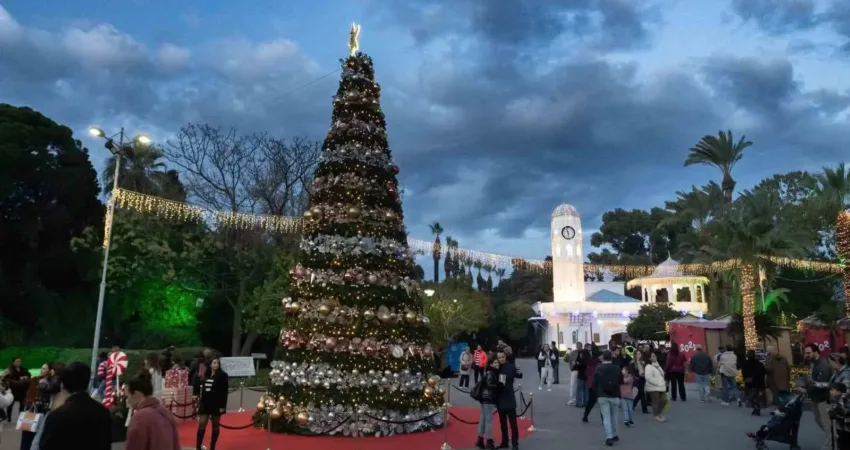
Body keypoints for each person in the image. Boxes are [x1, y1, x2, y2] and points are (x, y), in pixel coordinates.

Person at [36, 362, 111, 450]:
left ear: (63, 385)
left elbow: (45, 446)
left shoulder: (57, 415)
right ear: (87, 382)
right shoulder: (103, 412)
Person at [125, 371, 181, 450]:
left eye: (128, 396)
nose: (127, 400)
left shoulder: (140, 417)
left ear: (137, 394)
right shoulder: (165, 411)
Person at [802, 343, 833, 450]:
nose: (806, 355)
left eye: (808, 353)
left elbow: (820, 383)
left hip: (823, 399)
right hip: (815, 398)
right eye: (805, 353)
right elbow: (811, 379)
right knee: (819, 421)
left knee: (826, 424)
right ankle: (834, 440)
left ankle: (829, 445)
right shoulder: (813, 363)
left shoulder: (822, 365)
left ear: (815, 352)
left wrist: (805, 389)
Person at [195, 358, 229, 450]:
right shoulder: (206, 375)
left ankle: (212, 446)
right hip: (205, 403)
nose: (216, 364)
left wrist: (223, 406)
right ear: (210, 365)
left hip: (217, 404)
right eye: (214, 363)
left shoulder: (223, 375)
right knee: (202, 423)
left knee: (215, 425)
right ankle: (198, 446)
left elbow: (224, 392)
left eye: (217, 363)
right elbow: (202, 390)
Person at [593, 351, 622, 446]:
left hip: (602, 395)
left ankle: (609, 437)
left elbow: (594, 383)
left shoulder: (598, 368)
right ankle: (615, 434)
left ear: (603, 358)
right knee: (614, 416)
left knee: (606, 417)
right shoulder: (617, 368)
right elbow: (620, 380)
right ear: (611, 358)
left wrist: (596, 395)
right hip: (615, 394)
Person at [474, 352, 501, 450]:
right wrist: (499, 384)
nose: (497, 364)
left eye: (497, 363)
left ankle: (480, 440)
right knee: (488, 420)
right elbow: (490, 385)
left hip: (484, 398)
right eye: (495, 363)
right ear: (490, 364)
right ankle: (489, 442)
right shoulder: (492, 373)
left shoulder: (489, 371)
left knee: (483, 419)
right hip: (488, 399)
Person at [495, 350, 520, 450]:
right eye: (499, 357)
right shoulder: (497, 367)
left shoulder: (510, 366)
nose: (501, 359)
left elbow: (513, 376)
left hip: (509, 397)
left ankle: (515, 443)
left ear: (505, 356)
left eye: (502, 357)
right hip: (500, 398)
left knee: (513, 424)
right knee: (503, 424)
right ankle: (504, 442)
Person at [1, 357, 29, 422]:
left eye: (19, 361)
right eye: (17, 361)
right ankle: (9, 418)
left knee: (22, 405)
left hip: (22, 390)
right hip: (13, 390)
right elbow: (2, 377)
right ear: (13, 362)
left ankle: (20, 418)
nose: (18, 363)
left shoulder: (23, 369)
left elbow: (28, 375)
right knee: (11, 404)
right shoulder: (9, 369)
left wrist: (25, 377)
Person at [645, 351, 668, 422]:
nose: (655, 357)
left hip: (661, 386)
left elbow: (661, 374)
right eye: (653, 356)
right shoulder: (648, 366)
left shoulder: (658, 365)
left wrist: (663, 380)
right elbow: (648, 377)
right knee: (656, 401)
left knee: (664, 399)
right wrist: (658, 382)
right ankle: (656, 415)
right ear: (649, 358)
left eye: (655, 356)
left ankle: (659, 412)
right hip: (653, 387)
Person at [742, 349, 767, 415]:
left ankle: (755, 408)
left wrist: (746, 379)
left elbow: (744, 373)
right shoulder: (759, 364)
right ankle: (757, 408)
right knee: (758, 396)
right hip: (759, 383)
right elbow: (763, 372)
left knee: (752, 396)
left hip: (750, 382)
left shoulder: (745, 363)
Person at [581, 350, 600, 422]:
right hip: (597, 384)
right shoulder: (597, 363)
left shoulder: (589, 363)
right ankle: (604, 418)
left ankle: (585, 415)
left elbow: (587, 373)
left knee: (591, 401)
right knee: (600, 401)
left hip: (591, 384)